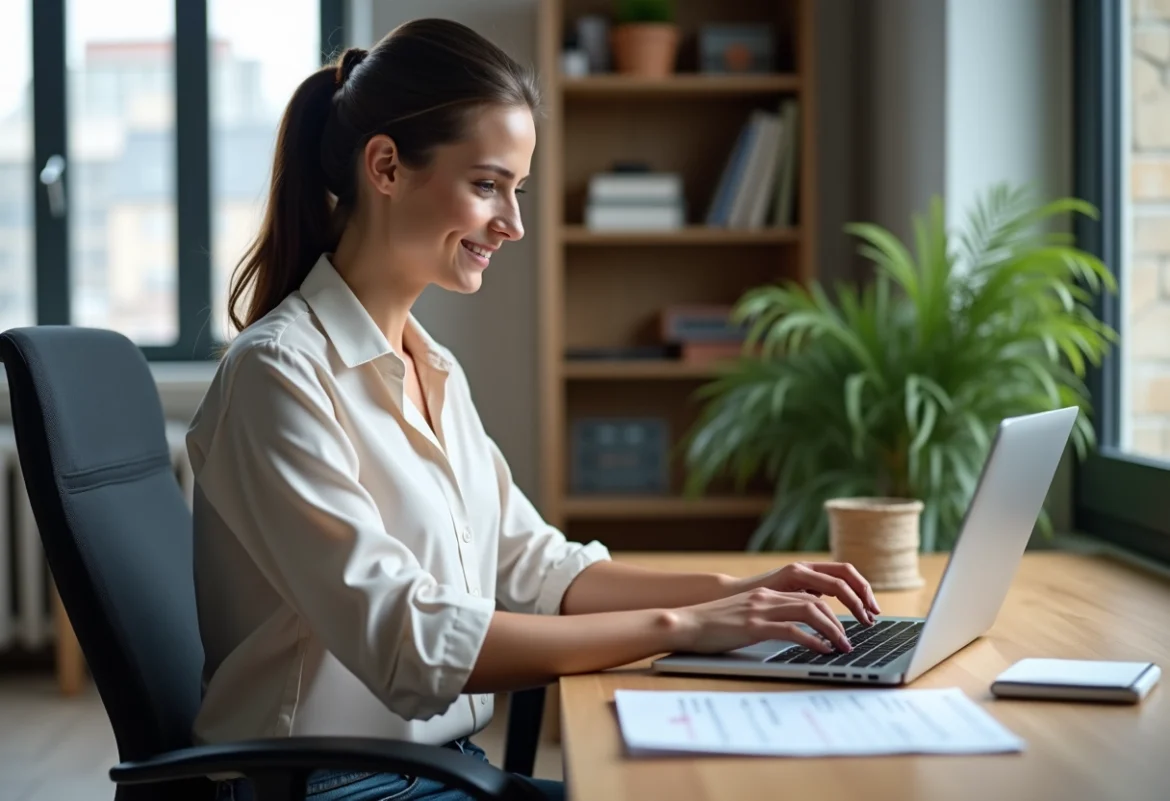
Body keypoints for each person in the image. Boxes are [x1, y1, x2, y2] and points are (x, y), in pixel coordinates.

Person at [187, 18, 881, 801]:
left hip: (436, 770)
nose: (513, 223)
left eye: (516, 189)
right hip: (327, 788)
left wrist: (731, 590)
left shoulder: (431, 366)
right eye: (488, 185)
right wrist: (684, 628)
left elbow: (541, 571)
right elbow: (410, 643)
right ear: (384, 166)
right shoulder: (278, 376)